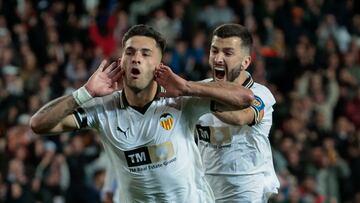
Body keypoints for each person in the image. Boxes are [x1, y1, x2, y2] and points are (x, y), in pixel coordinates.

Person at [30, 24, 255, 203]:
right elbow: (39, 124)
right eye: (130, 52)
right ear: (122, 62)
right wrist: (84, 93)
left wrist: (187, 87)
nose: (136, 58)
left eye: (146, 54)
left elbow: (245, 98)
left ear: (159, 65)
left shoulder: (181, 101)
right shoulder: (103, 109)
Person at [195, 23, 280, 202]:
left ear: (246, 62)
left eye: (227, 53)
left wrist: (199, 95)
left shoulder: (261, 94)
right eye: (214, 51)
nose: (218, 59)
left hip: (246, 191)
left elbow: (241, 118)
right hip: (204, 191)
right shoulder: (197, 89)